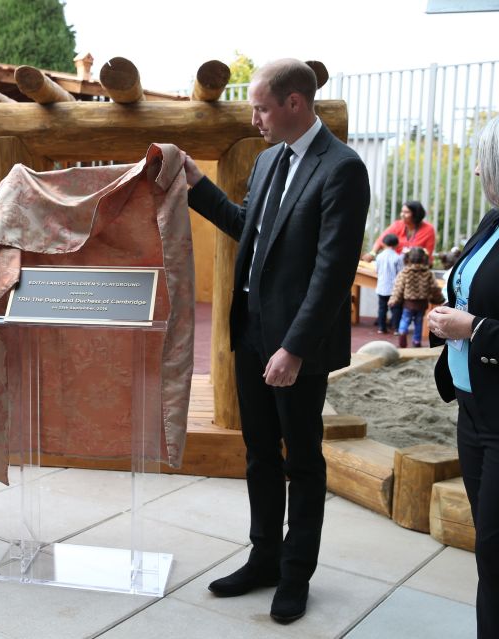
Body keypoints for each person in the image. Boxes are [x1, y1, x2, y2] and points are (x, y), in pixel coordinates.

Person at [181, 59, 370, 623]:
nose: (254, 117)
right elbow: (251, 228)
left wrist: (294, 348)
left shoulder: (342, 169)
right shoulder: (267, 161)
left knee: (302, 462)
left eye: (262, 107)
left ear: (295, 103)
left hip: (297, 348)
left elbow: (333, 272)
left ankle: (294, 575)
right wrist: (197, 184)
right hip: (253, 335)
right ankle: (263, 558)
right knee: (260, 455)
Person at [428, 114, 499, 639]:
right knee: (489, 548)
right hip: (473, 410)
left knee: (495, 552)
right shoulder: (491, 221)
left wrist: (473, 327)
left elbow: (480, 320)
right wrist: (448, 320)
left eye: (483, 161)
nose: (475, 171)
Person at [389, 246, 444, 347]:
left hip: (408, 303)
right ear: (424, 258)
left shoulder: (405, 272)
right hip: (422, 304)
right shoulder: (428, 273)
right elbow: (434, 288)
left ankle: (402, 336)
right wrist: (439, 299)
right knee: (418, 322)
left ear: (408, 258)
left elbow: (398, 288)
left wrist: (394, 300)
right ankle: (416, 341)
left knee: (405, 319)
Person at [364, 200, 436, 264]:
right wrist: (372, 253)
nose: (402, 215)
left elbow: (427, 254)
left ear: (416, 215)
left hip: (418, 267)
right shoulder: (397, 225)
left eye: (406, 212)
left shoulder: (428, 229)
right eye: (402, 212)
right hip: (395, 264)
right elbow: (381, 240)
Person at [375, 233, 403, 334]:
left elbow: (376, 270)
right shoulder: (397, 257)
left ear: (384, 244)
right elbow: (400, 273)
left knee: (382, 308)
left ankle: (381, 328)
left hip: (382, 287)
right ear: (396, 245)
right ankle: (396, 329)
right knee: (396, 309)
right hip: (394, 288)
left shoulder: (379, 256)